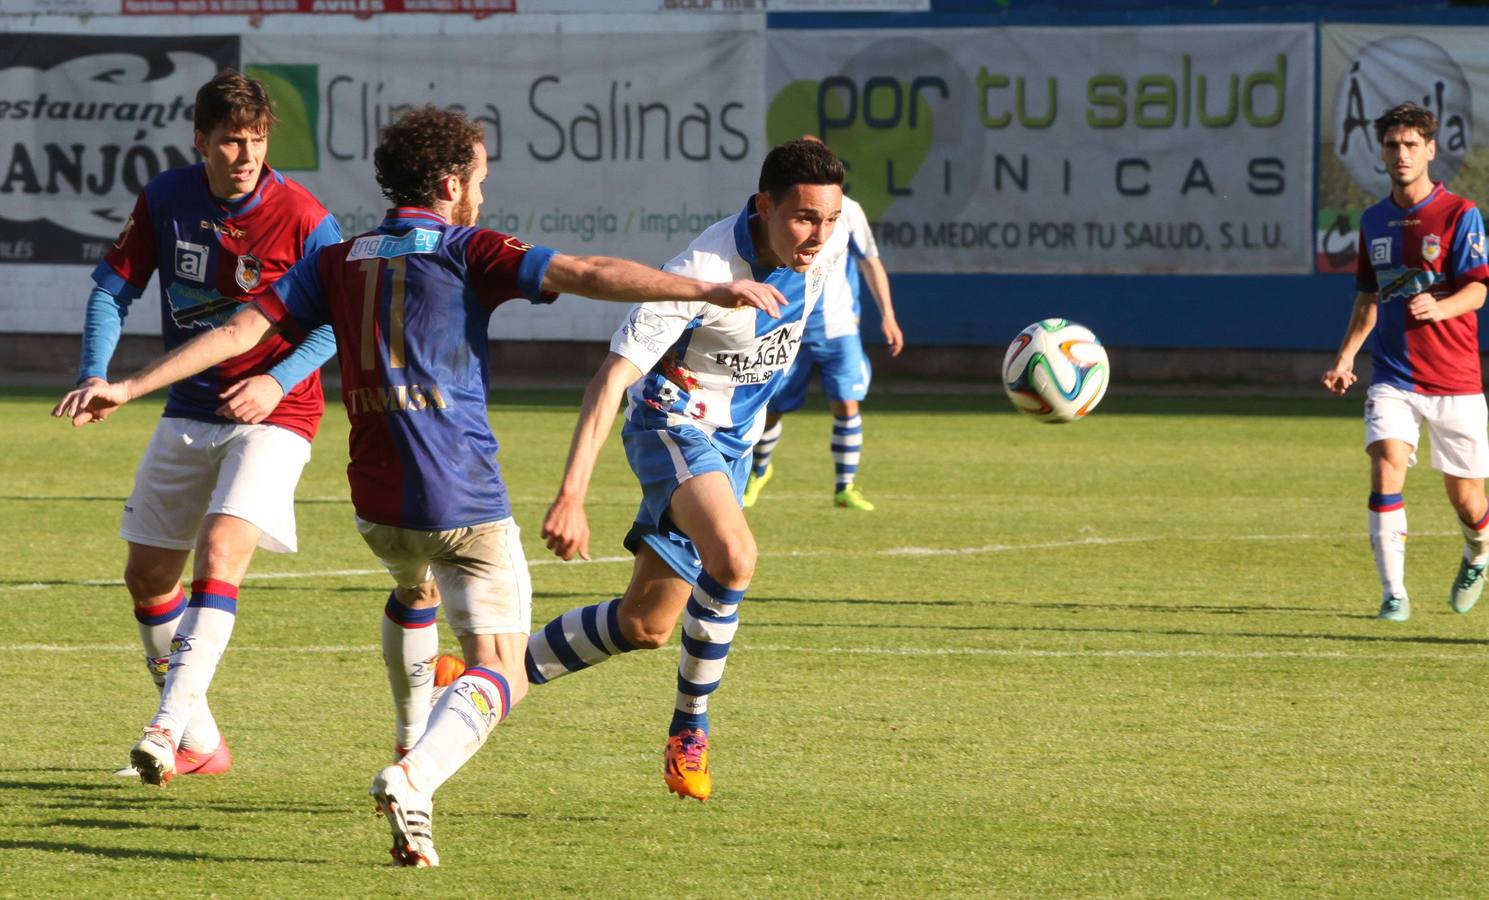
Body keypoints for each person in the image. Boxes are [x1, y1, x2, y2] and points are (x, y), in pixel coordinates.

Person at [54, 105, 784, 867]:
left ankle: (407, 726)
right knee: (500, 667)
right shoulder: (469, 248)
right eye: (480, 178)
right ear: (448, 182)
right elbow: (589, 274)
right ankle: (412, 773)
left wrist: (131, 384)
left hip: (375, 507)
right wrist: (703, 292)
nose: (483, 192)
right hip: (459, 498)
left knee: (414, 589)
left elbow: (241, 330)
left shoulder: (336, 259)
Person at [526, 138, 848, 802]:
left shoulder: (821, 241)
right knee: (733, 558)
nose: (817, 234)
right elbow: (610, 380)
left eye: (829, 219)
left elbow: (811, 172)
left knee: (644, 625)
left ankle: (492, 671)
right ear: (763, 207)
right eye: (803, 218)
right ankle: (688, 731)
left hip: (729, 446)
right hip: (671, 427)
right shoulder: (701, 268)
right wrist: (571, 495)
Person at [71, 69, 342, 779]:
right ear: (201, 140)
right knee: (148, 577)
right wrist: (95, 375)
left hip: (277, 413)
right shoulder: (166, 198)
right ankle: (201, 742)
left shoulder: (307, 218)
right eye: (230, 141)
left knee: (220, 555)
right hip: (190, 407)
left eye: (255, 140)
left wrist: (275, 378)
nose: (246, 155)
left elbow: (338, 324)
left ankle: (162, 732)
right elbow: (111, 291)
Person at [1322, 101, 1489, 622]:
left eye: (1411, 145)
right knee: (1386, 463)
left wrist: (1440, 306)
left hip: (1456, 381)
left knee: (1468, 502)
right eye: (1393, 145)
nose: (1401, 154)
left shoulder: (1460, 214)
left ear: (1430, 150)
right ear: (1382, 152)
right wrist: (1346, 357)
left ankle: (1477, 552)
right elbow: (1369, 298)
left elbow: (1479, 290)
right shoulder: (1374, 220)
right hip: (1393, 375)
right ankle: (1394, 593)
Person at [742, 135, 904, 511]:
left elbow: (869, 260)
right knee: (772, 407)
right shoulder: (779, 212)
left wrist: (888, 315)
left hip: (839, 327)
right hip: (789, 328)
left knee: (847, 404)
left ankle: (844, 486)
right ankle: (758, 473)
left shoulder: (849, 210)